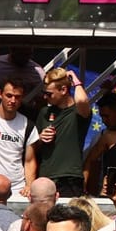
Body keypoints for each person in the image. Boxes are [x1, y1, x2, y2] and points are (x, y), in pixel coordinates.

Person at [31, 67, 92, 197]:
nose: (45, 97)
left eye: (49, 94)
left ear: (63, 90)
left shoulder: (78, 111)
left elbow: (82, 100)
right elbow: (33, 148)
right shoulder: (44, 113)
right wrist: (40, 138)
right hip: (46, 177)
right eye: (44, 92)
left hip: (70, 177)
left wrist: (75, 81)